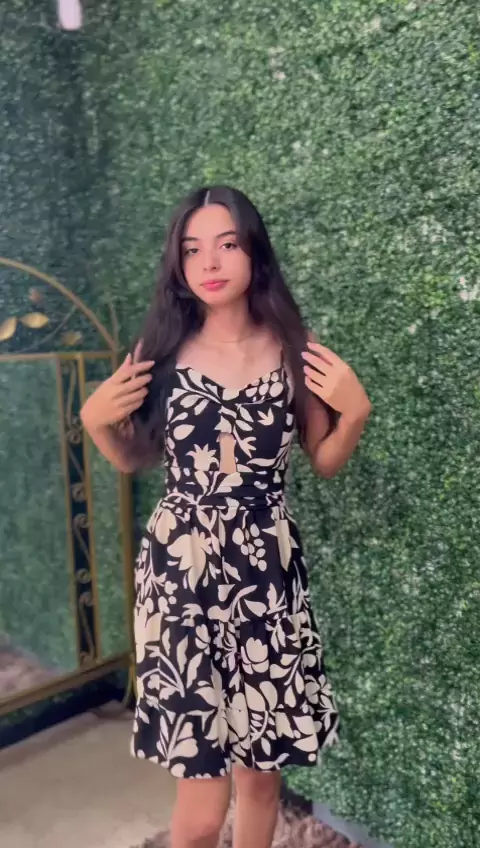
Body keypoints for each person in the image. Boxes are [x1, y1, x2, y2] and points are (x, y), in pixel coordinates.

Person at [80, 186, 371, 848]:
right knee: (203, 806)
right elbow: (132, 456)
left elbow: (324, 459)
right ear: (177, 263)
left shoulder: (294, 349)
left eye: (227, 244)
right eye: (192, 250)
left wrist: (354, 412)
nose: (209, 263)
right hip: (181, 577)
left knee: (262, 781)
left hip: (267, 576)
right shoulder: (160, 351)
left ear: (254, 252)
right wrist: (95, 422)